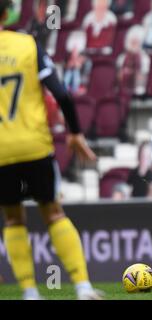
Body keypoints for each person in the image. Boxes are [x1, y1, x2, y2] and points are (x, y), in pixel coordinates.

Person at [0, 0, 102, 300]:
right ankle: (82, 287)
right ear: (8, 13)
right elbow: (62, 94)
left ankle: (30, 292)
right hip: (34, 145)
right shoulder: (28, 45)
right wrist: (74, 132)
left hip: (1, 152)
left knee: (14, 219)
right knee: (54, 213)